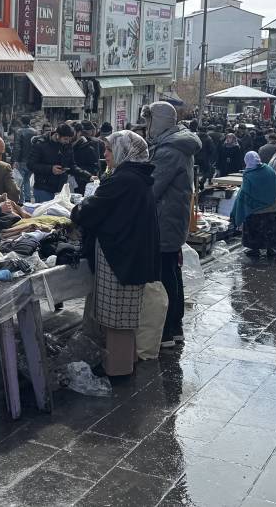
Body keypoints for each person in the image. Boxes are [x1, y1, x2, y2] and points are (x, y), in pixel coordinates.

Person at [69, 131, 160, 376]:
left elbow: (92, 210)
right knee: (125, 315)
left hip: (120, 257)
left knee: (117, 317)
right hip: (131, 253)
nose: (105, 155)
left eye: (109, 150)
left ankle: (117, 370)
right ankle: (127, 362)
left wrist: (77, 210)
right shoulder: (137, 176)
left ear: (124, 152)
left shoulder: (123, 179)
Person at [142, 102, 201, 348]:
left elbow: (153, 187)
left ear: (158, 121)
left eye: (148, 121)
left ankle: (166, 329)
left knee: (165, 274)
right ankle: (174, 327)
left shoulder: (169, 149)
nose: (146, 126)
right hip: (173, 217)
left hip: (164, 219)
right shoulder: (176, 144)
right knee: (171, 270)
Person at [231, 151, 276, 258]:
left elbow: (245, 192)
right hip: (270, 207)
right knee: (270, 229)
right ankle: (271, 249)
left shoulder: (248, 174)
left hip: (254, 209)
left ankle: (255, 249)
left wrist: (240, 205)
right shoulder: (269, 169)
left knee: (254, 229)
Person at [27, 123, 78, 202]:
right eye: (65, 139)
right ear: (57, 135)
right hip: (43, 188)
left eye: (69, 139)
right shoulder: (41, 144)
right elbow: (30, 165)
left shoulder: (67, 145)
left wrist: (88, 176)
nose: (67, 142)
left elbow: (72, 165)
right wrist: (50, 169)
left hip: (61, 189)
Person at [11, 115, 37, 200]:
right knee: (26, 180)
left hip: (21, 160)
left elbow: (17, 147)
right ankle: (28, 199)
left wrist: (15, 160)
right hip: (31, 161)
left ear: (21, 122)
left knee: (20, 181)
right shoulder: (35, 132)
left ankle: (20, 200)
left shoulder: (19, 131)